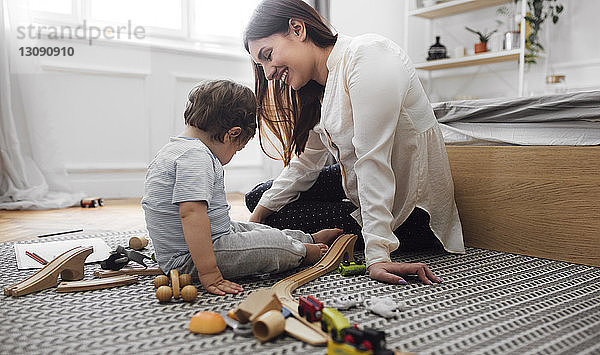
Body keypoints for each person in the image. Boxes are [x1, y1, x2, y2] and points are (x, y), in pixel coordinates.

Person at [243, 0, 465, 286]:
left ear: (297, 29)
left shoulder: (368, 55)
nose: (268, 73)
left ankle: (356, 237)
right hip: (360, 187)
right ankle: (319, 235)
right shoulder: (318, 89)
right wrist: (253, 224)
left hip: (411, 212)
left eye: (268, 55)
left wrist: (378, 255)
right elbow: (305, 164)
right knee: (258, 200)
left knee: (277, 219)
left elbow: (373, 160)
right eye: (260, 65)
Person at [141, 80, 342, 296]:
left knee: (258, 231)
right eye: (238, 149)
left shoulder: (174, 150)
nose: (233, 155)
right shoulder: (196, 157)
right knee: (269, 245)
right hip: (190, 259)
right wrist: (210, 273)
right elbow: (191, 214)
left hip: (207, 239)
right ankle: (302, 252)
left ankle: (307, 238)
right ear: (232, 134)